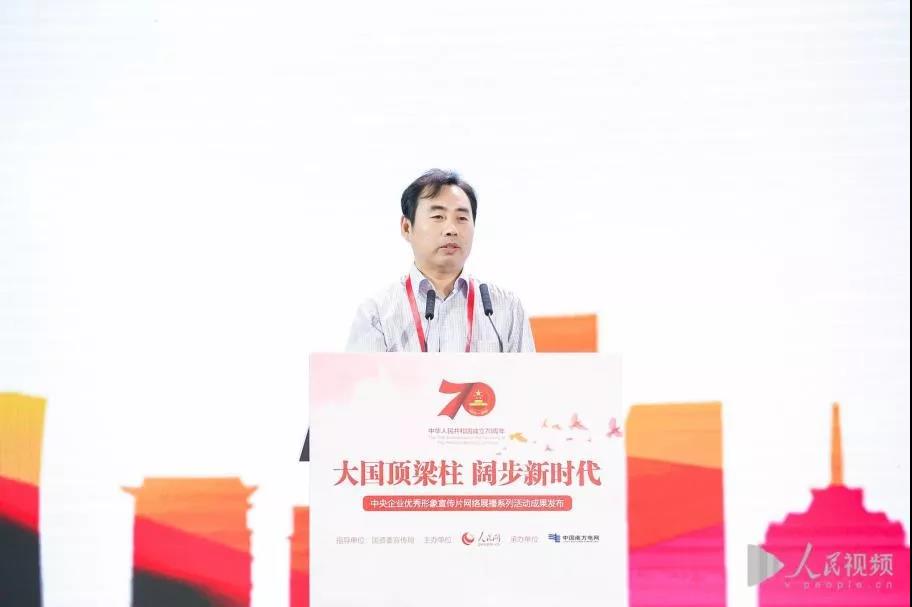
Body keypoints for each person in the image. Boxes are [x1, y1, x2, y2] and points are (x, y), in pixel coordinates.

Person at [345, 168, 536, 353]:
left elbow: (527, 375)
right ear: (406, 227)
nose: (451, 229)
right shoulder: (377, 314)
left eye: (462, 218)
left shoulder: (505, 309)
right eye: (438, 216)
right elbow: (363, 376)